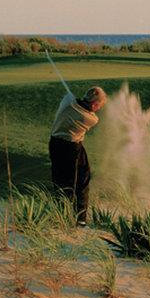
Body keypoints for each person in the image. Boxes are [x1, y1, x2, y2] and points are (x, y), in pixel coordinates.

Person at [49, 85, 107, 226]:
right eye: (99, 105)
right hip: (70, 148)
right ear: (94, 104)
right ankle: (72, 219)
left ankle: (68, 217)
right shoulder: (91, 119)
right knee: (73, 183)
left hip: (55, 143)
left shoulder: (67, 102)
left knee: (65, 179)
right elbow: (90, 114)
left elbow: (70, 99)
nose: (99, 108)